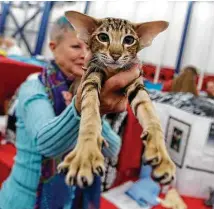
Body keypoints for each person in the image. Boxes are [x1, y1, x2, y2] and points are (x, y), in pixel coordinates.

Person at [0, 16, 140, 209]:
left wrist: (94, 111)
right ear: (53, 46)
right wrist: (80, 108)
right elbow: (46, 144)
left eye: (91, 48)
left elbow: (112, 149)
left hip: (68, 200)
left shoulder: (88, 91)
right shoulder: (35, 86)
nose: (85, 54)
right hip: (25, 201)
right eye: (76, 47)